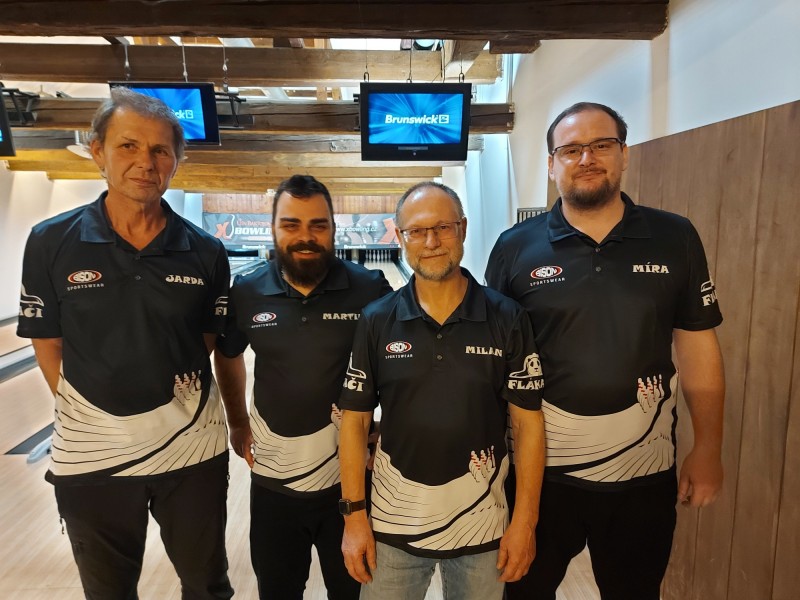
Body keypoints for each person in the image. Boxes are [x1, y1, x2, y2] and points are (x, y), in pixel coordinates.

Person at [485, 102, 725, 600]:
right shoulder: (514, 248)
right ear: (551, 164)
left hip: (642, 473)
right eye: (570, 149)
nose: (586, 158)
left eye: (601, 145)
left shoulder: (674, 236)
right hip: (538, 477)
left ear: (624, 154)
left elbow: (697, 346)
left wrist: (708, 447)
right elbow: (493, 362)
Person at [16, 87, 235, 598]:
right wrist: (90, 412)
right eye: (128, 146)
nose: (145, 162)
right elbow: (47, 341)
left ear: (176, 161)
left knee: (207, 586)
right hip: (91, 455)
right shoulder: (50, 241)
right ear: (97, 150)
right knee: (108, 592)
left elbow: (203, 337)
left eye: (160, 150)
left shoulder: (205, 251)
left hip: (192, 448)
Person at [338, 182, 546, 600]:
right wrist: (354, 518)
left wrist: (525, 522)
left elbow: (528, 426)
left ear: (463, 228)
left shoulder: (507, 317)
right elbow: (354, 422)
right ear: (400, 237)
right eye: (416, 231)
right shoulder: (376, 320)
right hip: (393, 524)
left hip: (483, 524)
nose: (431, 242)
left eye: (443, 227)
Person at [214, 174, 392, 599]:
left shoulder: (369, 288)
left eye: (318, 225)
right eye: (291, 224)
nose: (305, 237)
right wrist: (237, 423)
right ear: (273, 227)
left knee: (354, 593)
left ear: (333, 227)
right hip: (274, 483)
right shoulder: (248, 291)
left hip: (349, 483)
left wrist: (390, 428)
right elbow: (228, 352)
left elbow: (402, 363)